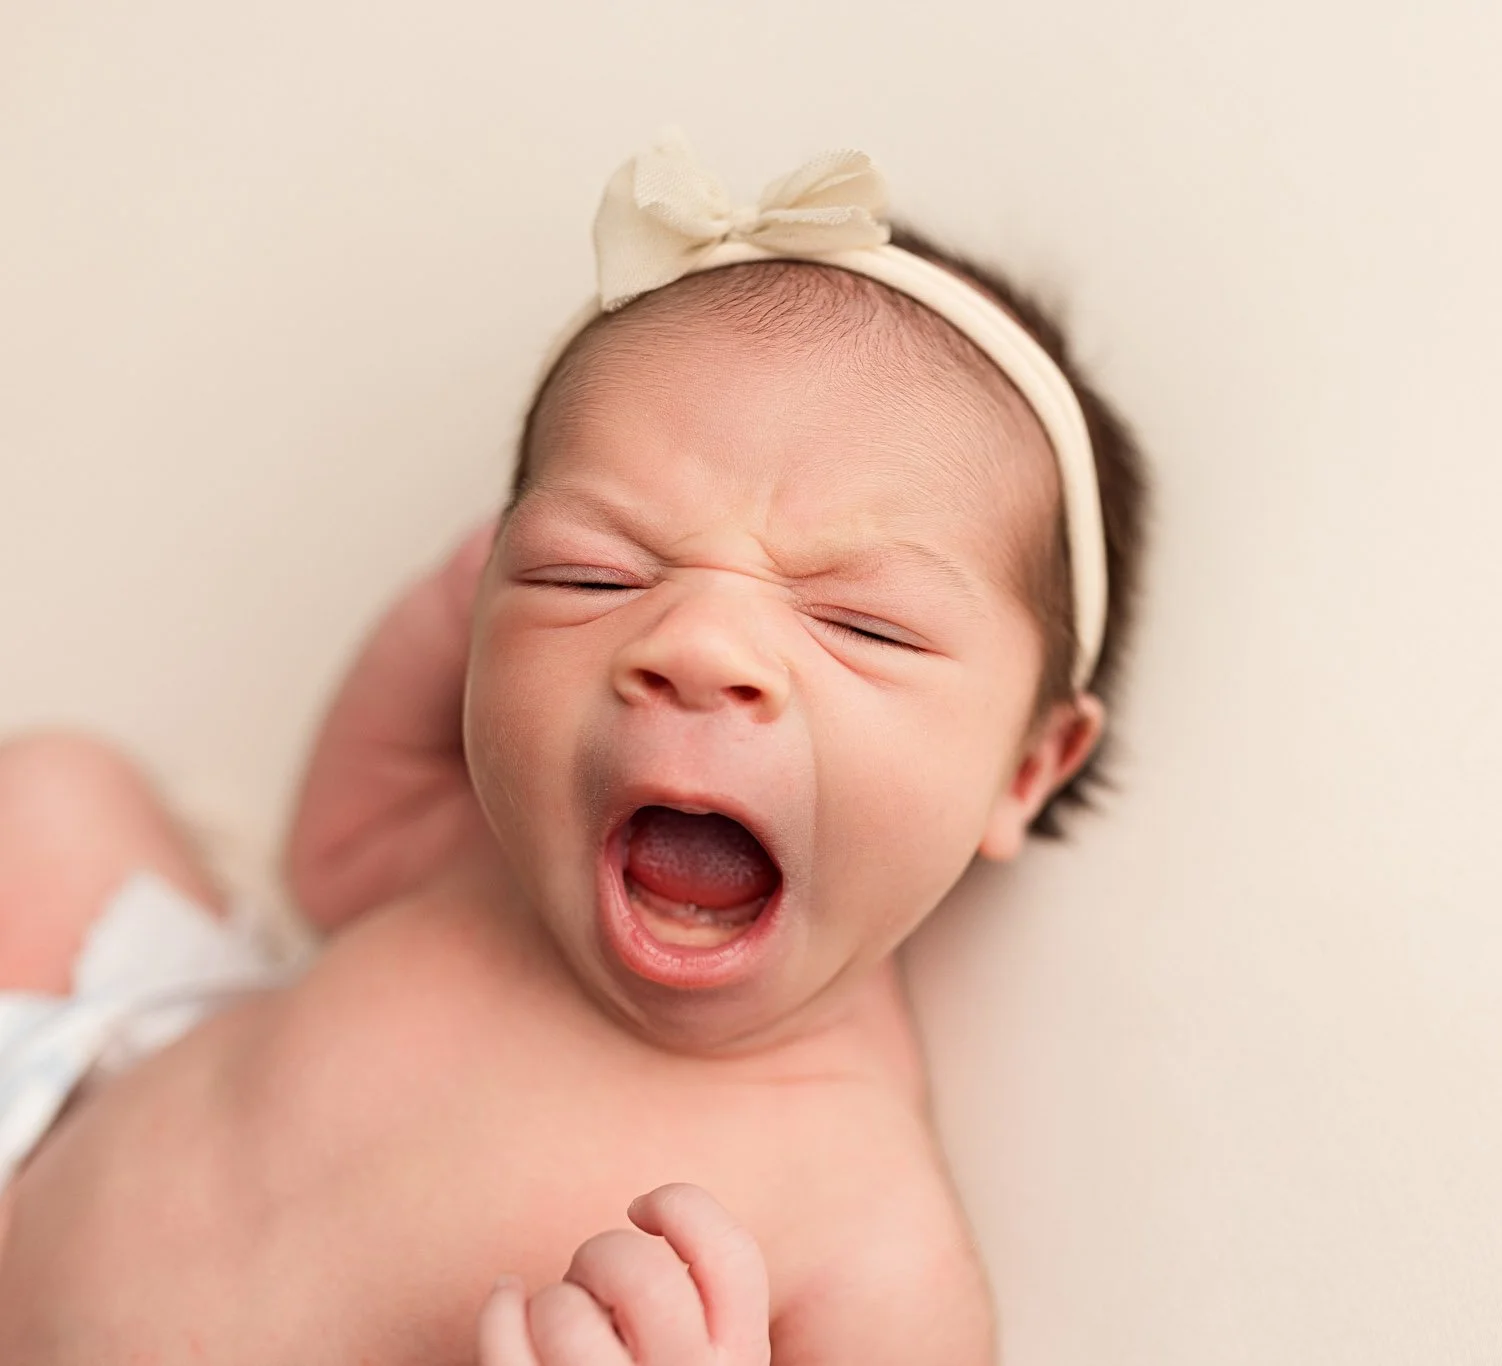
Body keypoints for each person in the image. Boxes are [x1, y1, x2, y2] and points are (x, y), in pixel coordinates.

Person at [0, 131, 1147, 1364]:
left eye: (859, 624)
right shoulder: (491, 868)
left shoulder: (868, 1236)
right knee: (53, 791)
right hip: (55, 1136)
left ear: (1028, 767)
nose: (697, 643)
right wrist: (455, 603)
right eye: (590, 572)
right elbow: (332, 861)